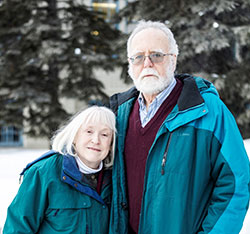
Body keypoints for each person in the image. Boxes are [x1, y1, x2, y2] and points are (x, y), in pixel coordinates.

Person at [109, 20, 250, 234]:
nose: (146, 63)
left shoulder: (208, 111)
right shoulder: (118, 115)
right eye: (138, 57)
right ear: (130, 65)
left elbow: (236, 184)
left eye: (156, 55)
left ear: (173, 60)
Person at [3, 105, 116, 234]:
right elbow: (17, 228)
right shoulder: (43, 172)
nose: (96, 140)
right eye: (89, 132)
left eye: (105, 134)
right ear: (74, 137)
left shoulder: (115, 180)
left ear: (111, 143)